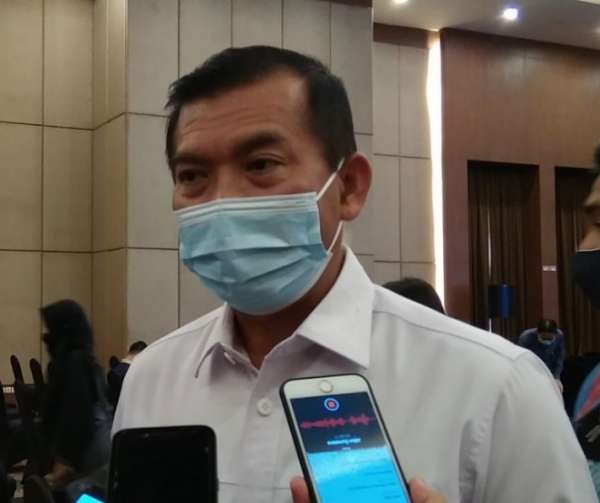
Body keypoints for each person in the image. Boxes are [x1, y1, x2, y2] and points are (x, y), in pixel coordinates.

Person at [112, 46, 595, 502]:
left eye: (261, 164)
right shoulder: (153, 378)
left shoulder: (497, 387)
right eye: (192, 176)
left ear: (348, 187)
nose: (222, 199)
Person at [40, 300, 112, 493]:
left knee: (83, 495)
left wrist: (65, 459)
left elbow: (77, 412)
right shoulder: (82, 359)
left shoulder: (75, 361)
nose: (45, 335)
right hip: (92, 450)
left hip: (88, 453)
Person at [518, 319, 566, 388]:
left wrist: (556, 377)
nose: (546, 341)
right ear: (537, 333)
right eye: (544, 338)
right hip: (531, 369)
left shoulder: (559, 335)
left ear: (555, 334)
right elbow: (521, 360)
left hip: (550, 368)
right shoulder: (526, 337)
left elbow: (559, 358)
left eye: (549, 338)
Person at [106, 341, 147, 408]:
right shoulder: (133, 372)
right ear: (141, 354)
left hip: (114, 409)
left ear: (129, 351)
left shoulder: (114, 370)